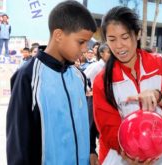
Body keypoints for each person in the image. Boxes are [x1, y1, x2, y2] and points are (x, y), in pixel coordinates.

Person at [6, 1, 97, 164]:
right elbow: (18, 144)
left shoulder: (79, 77)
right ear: (59, 35)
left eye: (87, 43)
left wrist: (90, 150)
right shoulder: (28, 77)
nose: (85, 49)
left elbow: (84, 123)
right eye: (81, 42)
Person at [93, 6, 162, 165]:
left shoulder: (160, 64)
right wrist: (127, 153)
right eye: (112, 39)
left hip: (159, 155)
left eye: (124, 37)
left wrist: (159, 96)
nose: (119, 45)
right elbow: (107, 127)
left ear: (137, 34)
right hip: (120, 157)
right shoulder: (102, 80)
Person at [84, 43, 111, 165]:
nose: (111, 55)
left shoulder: (111, 66)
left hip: (106, 100)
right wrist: (88, 90)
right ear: (101, 54)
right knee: (92, 125)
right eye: (109, 52)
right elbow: (83, 77)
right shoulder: (96, 66)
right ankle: (90, 151)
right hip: (94, 99)